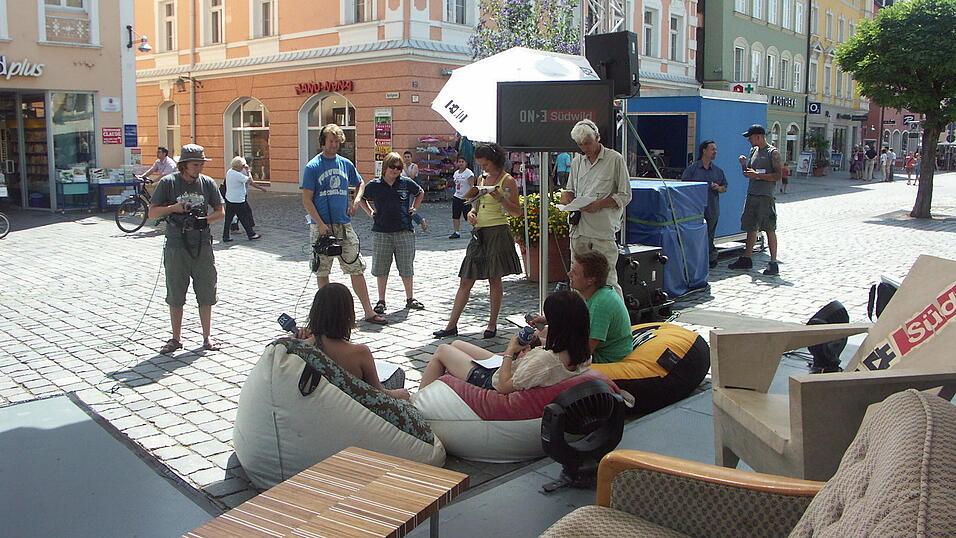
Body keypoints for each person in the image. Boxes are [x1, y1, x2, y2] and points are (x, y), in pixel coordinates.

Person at [419, 290, 591, 394]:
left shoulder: (546, 361)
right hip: (512, 368)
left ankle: (417, 405)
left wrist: (510, 350)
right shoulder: (581, 353)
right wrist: (534, 345)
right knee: (456, 344)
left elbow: (504, 386)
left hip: (493, 381)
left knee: (442, 350)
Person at [300, 123, 387, 325]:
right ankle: (327, 315)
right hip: (322, 227)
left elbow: (360, 183)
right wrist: (320, 224)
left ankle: (368, 311)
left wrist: (356, 201)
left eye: (337, 141)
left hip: (344, 225)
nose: (334, 145)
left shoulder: (345, 164)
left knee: (355, 266)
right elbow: (306, 199)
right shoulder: (312, 167)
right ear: (323, 142)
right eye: (331, 141)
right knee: (322, 270)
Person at [433, 143, 522, 339]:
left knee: (494, 278)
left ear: (495, 161)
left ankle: (491, 325)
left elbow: (516, 212)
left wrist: (499, 198)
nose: (484, 168)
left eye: (486, 164)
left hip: (498, 231)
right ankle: (451, 325)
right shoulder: (481, 178)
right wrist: (471, 214)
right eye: (481, 164)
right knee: (466, 278)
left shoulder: (508, 181)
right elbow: (474, 205)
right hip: (479, 232)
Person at [147, 144, 225, 354]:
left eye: (201, 164)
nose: (199, 168)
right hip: (176, 244)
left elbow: (221, 212)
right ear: (183, 165)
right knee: (176, 292)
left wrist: (205, 220)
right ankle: (175, 338)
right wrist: (174, 208)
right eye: (195, 164)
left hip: (202, 244)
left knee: (206, 290)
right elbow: (152, 213)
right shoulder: (168, 183)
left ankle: (207, 336)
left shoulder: (207, 183)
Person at [296, 284, 409, 400]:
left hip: (317, 402)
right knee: (398, 374)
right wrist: (401, 394)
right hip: (351, 408)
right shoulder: (360, 352)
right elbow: (379, 394)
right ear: (348, 314)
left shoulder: (301, 347)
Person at [560, 119, 632, 297]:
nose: (584, 148)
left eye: (588, 143)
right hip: (579, 229)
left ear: (598, 138)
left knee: (607, 279)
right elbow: (570, 189)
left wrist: (599, 204)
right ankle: (581, 320)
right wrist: (567, 196)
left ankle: (618, 321)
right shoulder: (577, 161)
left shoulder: (615, 159)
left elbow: (626, 195)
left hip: (602, 230)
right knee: (577, 279)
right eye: (580, 144)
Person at [354, 152, 426, 316]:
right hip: (381, 231)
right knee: (381, 267)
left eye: (399, 167)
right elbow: (361, 197)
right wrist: (370, 212)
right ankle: (381, 301)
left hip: (404, 230)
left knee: (406, 266)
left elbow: (420, 192)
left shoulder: (406, 183)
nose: (395, 170)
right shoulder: (375, 184)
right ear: (385, 167)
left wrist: (415, 208)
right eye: (393, 167)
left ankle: (410, 298)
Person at [728, 124, 782, 276]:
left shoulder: (773, 153)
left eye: (750, 137)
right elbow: (748, 174)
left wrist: (758, 175)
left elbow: (778, 176)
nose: (749, 140)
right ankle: (747, 258)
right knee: (751, 227)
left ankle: (773, 262)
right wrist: (743, 165)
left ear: (759, 136)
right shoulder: (753, 151)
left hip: (765, 196)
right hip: (752, 194)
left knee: (769, 228)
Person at [681, 140, 728, 269]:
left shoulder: (718, 171)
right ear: (704, 151)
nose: (715, 152)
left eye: (715, 149)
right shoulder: (692, 169)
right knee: (696, 236)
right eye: (712, 149)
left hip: (712, 208)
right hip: (695, 210)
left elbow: (725, 187)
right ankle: (696, 260)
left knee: (710, 234)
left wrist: (718, 188)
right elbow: (683, 186)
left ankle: (710, 259)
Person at [222, 156, 266, 242]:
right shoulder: (237, 174)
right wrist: (248, 170)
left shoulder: (229, 172)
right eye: (242, 166)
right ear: (238, 166)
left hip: (230, 198)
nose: (243, 167)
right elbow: (249, 180)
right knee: (244, 218)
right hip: (238, 200)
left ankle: (225, 236)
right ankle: (251, 234)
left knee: (228, 219)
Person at [449, 156, 475, 239]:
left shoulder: (469, 173)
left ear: (466, 163)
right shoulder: (456, 173)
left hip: (466, 197)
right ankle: (456, 232)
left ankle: (475, 229)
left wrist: (470, 196)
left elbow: (471, 185)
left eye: (462, 162)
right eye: (459, 162)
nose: (460, 163)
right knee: (455, 215)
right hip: (457, 196)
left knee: (468, 215)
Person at [402, 150, 428, 233]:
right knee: (404, 208)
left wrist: (405, 168)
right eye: (405, 157)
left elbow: (412, 176)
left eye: (408, 157)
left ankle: (421, 221)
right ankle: (408, 226)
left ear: (411, 158)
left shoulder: (414, 166)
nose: (406, 159)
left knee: (409, 209)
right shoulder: (401, 166)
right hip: (403, 190)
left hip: (412, 190)